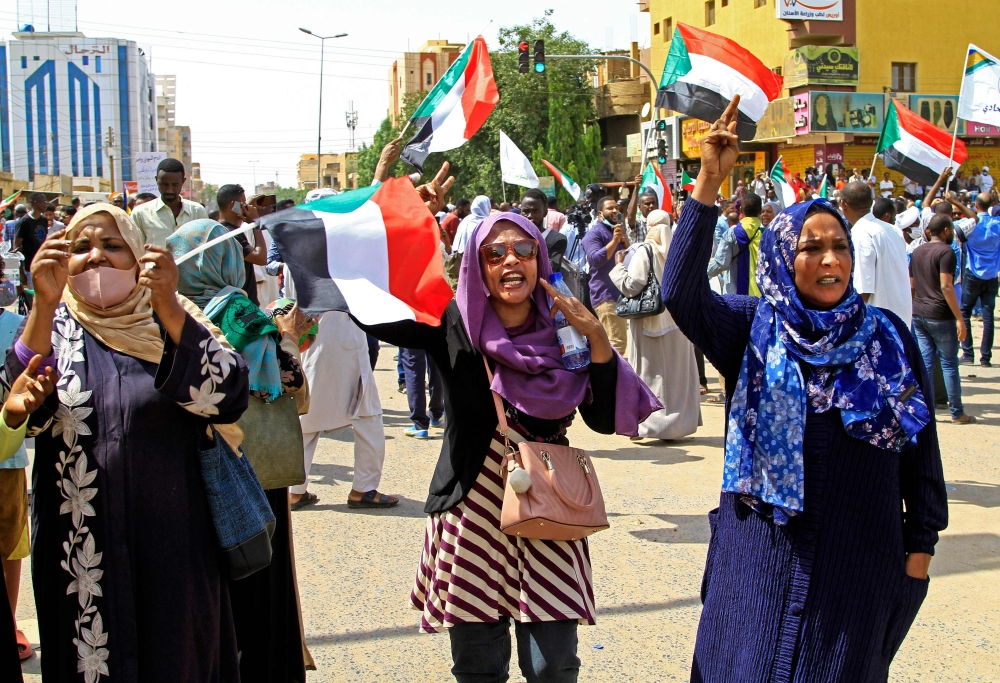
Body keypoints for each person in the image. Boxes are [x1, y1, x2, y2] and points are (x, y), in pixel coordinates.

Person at [663, 97, 946, 682]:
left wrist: (918, 554)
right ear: (780, 259)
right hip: (758, 563)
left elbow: (922, 455)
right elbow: (681, 295)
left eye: (838, 245)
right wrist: (708, 183)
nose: (829, 258)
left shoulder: (888, 338)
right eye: (810, 247)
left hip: (859, 571)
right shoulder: (752, 328)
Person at [361, 209, 657, 682]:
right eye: (494, 253)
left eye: (523, 250)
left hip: (550, 508)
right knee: (478, 666)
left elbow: (601, 421)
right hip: (472, 512)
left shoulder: (564, 327)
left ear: (540, 257)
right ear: (478, 265)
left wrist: (597, 337)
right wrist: (390, 225)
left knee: (553, 665)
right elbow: (378, 314)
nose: (509, 261)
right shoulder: (453, 322)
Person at [13, 203, 251, 681]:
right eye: (80, 248)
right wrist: (42, 303)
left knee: (177, 656)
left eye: (112, 245)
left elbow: (228, 397)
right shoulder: (55, 329)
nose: (96, 257)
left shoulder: (175, 321)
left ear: (139, 255)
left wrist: (166, 306)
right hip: (80, 550)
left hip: (176, 544)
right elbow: (16, 409)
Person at [167, 219, 315, 682]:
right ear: (225, 260)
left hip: (192, 464)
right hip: (251, 469)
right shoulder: (240, 312)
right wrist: (287, 336)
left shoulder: (166, 314)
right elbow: (285, 385)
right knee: (259, 582)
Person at [610, 209, 701, 440]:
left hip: (648, 323)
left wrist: (618, 266)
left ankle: (648, 425)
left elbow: (632, 285)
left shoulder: (645, 250)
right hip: (679, 323)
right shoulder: (680, 252)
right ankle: (678, 426)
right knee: (677, 376)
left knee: (647, 375)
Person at [909, 214, 976, 424]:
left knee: (927, 364)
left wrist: (913, 308)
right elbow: (947, 286)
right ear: (946, 230)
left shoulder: (917, 251)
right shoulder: (946, 252)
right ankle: (957, 412)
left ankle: (926, 411)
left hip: (919, 312)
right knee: (949, 364)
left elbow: (911, 285)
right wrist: (960, 318)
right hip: (940, 314)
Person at [842, 186, 913, 327]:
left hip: (879, 325)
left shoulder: (861, 234)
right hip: (901, 318)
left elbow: (863, 288)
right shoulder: (894, 230)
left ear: (843, 204)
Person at [952, 192, 1000, 366]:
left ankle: (968, 352)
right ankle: (986, 357)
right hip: (992, 274)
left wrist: (953, 201)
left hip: (973, 272)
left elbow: (955, 229)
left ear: (976, 205)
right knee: (988, 315)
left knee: (965, 312)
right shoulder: (997, 224)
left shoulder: (970, 226)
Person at [583, 195, 629, 355]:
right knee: (617, 345)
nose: (615, 210)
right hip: (606, 296)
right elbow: (595, 260)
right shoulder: (594, 234)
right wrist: (615, 241)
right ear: (600, 214)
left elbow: (630, 258)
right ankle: (616, 379)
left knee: (619, 343)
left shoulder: (617, 230)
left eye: (616, 207)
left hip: (622, 294)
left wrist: (625, 241)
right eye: (610, 208)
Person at [130, 157, 209, 247]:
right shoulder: (140, 214)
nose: (169, 190)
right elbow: (134, 250)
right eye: (164, 184)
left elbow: (206, 249)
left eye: (175, 185)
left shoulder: (198, 212)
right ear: (157, 180)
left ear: (183, 182)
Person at [216, 184, 267, 307]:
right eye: (243, 203)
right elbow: (261, 258)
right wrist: (256, 223)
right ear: (233, 205)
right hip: (242, 306)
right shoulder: (231, 233)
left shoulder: (219, 230)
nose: (246, 207)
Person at [707, 192, 763, 296]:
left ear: (741, 210)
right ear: (760, 210)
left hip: (736, 297)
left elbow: (721, 263)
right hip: (761, 297)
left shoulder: (732, 233)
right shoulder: (767, 233)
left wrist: (701, 274)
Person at [521, 188, 567, 273]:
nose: (530, 215)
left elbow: (551, 268)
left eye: (536, 211)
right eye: (526, 211)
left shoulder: (556, 239)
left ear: (545, 212)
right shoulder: (515, 237)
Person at [14, 192, 49, 271]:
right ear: (36, 203)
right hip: (29, 265)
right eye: (43, 201)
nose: (46, 204)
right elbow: (17, 246)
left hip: (42, 262)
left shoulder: (44, 220)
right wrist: (21, 270)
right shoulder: (25, 221)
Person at [626, 177, 659, 244]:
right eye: (647, 204)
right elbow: (630, 216)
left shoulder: (661, 222)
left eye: (653, 203)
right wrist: (636, 188)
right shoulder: (638, 222)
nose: (651, 206)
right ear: (640, 207)